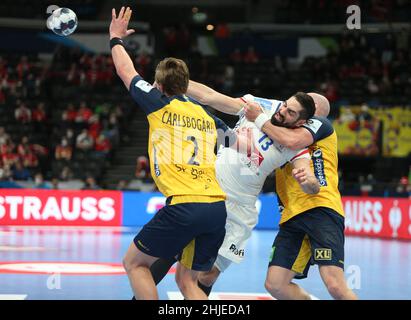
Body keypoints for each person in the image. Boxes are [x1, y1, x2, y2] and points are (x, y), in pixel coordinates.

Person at [146, 83, 322, 297]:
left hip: (239, 210)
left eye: (290, 112)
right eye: (285, 105)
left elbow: (310, 181)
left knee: (207, 274)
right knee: (170, 251)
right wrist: (177, 82)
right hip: (206, 192)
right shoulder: (262, 106)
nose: (282, 111)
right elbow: (210, 96)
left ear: (301, 122)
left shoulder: (296, 145)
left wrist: (309, 181)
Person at [109, 7, 228, 300]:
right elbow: (239, 142)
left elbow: (126, 71)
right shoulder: (206, 115)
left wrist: (115, 38)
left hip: (184, 205)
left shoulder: (158, 102)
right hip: (216, 208)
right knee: (188, 281)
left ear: (159, 85)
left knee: (135, 263)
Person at [244, 95, 358, 300]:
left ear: (311, 111)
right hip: (292, 215)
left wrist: (259, 118)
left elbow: (291, 141)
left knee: (335, 285)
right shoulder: (284, 129)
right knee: (275, 284)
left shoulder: (320, 124)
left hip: (320, 208)